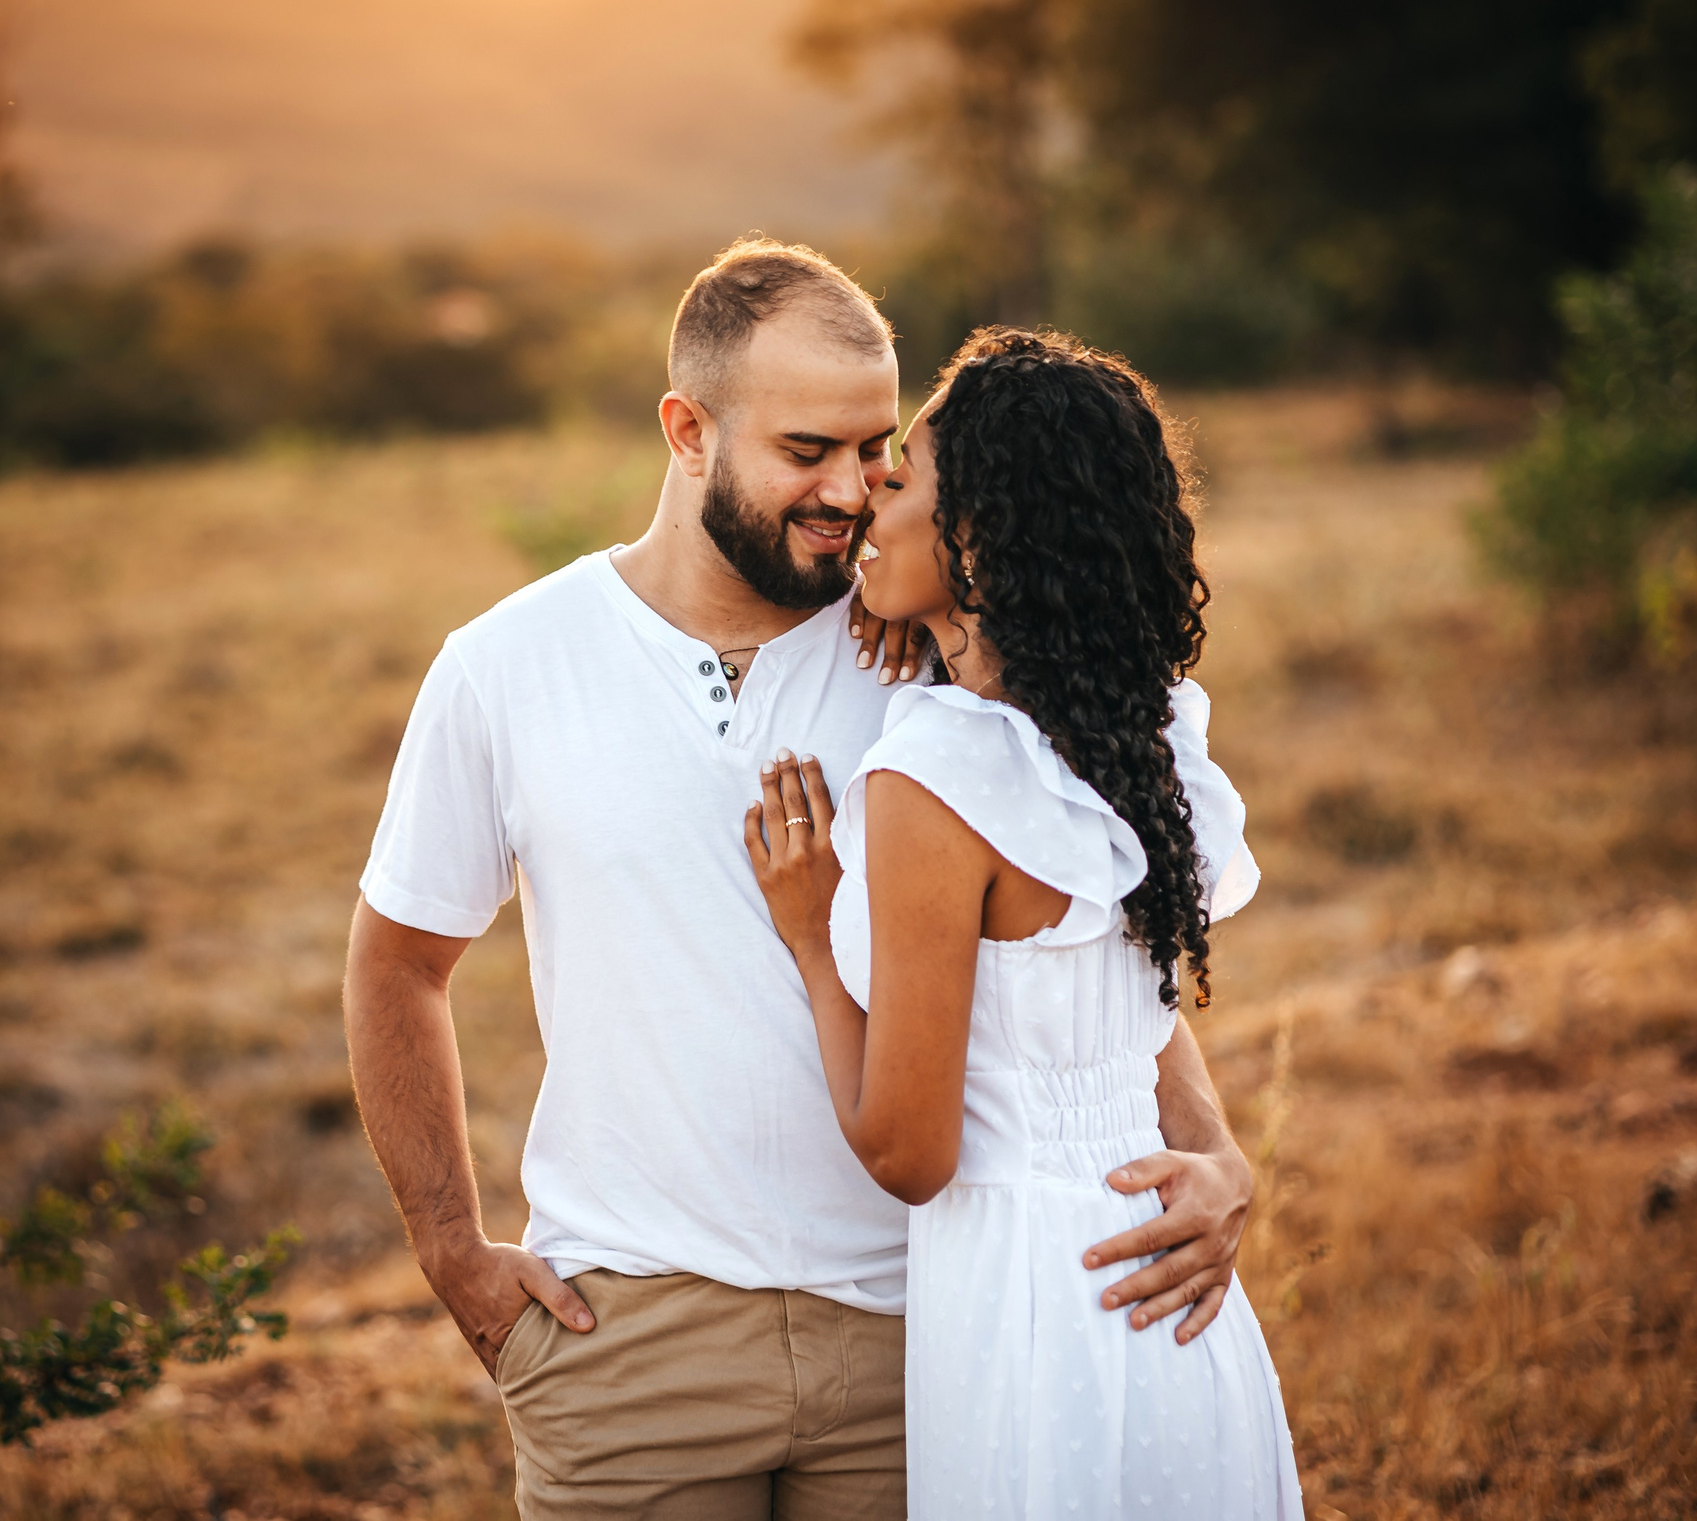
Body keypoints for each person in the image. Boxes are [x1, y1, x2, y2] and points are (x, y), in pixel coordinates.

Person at [344, 240, 1261, 1520]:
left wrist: (1211, 1154)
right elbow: (399, 962)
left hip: (921, 1327)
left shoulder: (935, 649)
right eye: (805, 452)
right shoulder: (508, 664)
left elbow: (1078, 945)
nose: (851, 490)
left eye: (877, 449)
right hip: (630, 1340)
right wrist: (452, 1253)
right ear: (686, 431)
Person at [744, 327, 1304, 1520]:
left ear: (983, 536)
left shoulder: (933, 783)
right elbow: (1120, 1022)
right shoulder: (1132, 738)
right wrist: (938, 620)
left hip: (1032, 1307)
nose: (864, 506)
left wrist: (809, 934)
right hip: (1170, 1290)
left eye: (899, 482)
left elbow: (911, 1151)